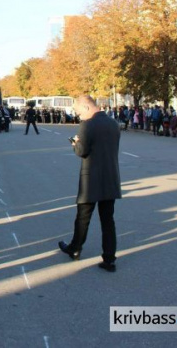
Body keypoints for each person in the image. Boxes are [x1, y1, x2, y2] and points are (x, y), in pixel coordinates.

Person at [58, 95, 121, 272]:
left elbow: (82, 151)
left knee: (83, 217)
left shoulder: (88, 124)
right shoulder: (113, 123)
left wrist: (75, 143)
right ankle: (109, 259)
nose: (79, 117)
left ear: (86, 107)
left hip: (91, 178)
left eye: (79, 113)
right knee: (108, 220)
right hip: (110, 177)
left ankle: (75, 248)